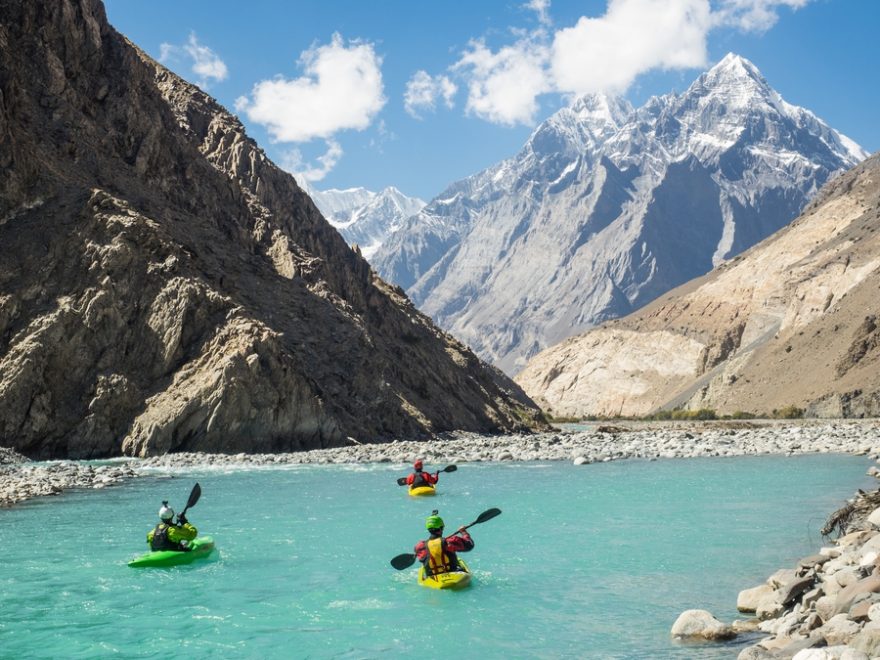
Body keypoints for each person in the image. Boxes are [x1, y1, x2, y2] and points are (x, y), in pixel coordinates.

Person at [414, 511, 474, 576]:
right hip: (452, 573)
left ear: (428, 529)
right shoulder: (449, 541)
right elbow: (469, 545)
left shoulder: (420, 546)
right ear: (441, 528)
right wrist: (463, 532)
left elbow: (421, 558)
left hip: (433, 578)